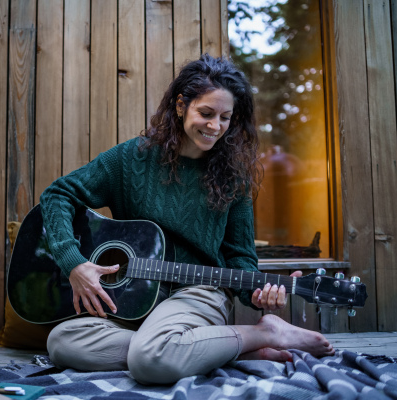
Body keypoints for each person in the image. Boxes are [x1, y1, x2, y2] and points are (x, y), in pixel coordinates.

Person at [39, 54, 334, 385]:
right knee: (62, 341)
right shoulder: (130, 159)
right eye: (206, 114)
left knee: (149, 359)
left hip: (198, 293)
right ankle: (209, 350)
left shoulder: (234, 178)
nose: (215, 127)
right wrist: (74, 263)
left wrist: (257, 294)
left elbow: (241, 258)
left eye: (226, 118)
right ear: (181, 106)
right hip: (135, 298)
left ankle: (262, 333)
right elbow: (57, 194)